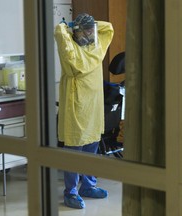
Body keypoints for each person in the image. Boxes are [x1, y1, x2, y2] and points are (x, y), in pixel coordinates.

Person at [54, 13, 114, 209]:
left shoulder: (96, 45)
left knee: (93, 144)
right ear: (76, 32)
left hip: (93, 104)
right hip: (77, 103)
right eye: (86, 30)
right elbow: (59, 32)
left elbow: (108, 28)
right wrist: (69, 27)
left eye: (91, 30)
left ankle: (88, 185)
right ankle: (70, 192)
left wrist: (85, 23)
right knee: (75, 148)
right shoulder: (71, 51)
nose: (90, 33)